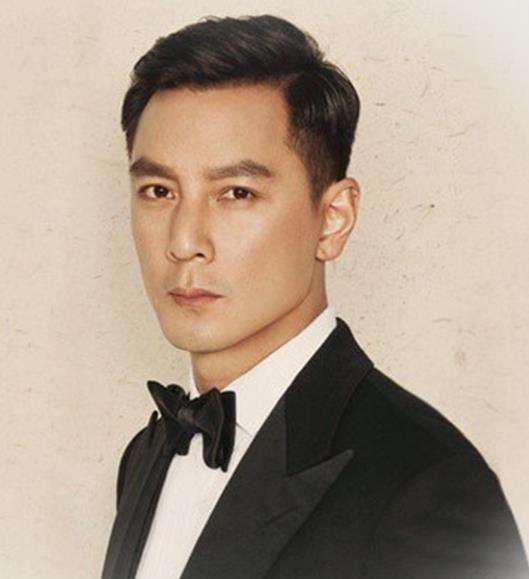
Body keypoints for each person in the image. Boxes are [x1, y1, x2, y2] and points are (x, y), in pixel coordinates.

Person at [101, 14, 529, 579]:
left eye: (236, 193)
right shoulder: (147, 455)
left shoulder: (430, 488)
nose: (183, 243)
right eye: (159, 191)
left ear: (333, 219)